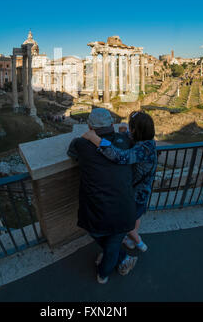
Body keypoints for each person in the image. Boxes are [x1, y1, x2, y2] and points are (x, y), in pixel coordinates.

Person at [67, 108, 138, 284]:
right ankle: (120, 258)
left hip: (95, 215)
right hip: (125, 211)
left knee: (107, 241)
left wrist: (88, 138)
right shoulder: (125, 142)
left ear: (90, 127)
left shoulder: (81, 145)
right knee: (114, 241)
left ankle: (103, 274)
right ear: (112, 125)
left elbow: (72, 152)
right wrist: (122, 133)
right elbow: (115, 148)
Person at [83, 110, 157, 253]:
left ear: (136, 130)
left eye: (131, 127)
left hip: (137, 193)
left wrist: (95, 140)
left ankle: (139, 243)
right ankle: (131, 240)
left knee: (128, 222)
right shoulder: (147, 142)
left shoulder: (144, 150)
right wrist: (123, 132)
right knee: (136, 216)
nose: (129, 130)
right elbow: (129, 138)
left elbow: (120, 156)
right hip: (143, 191)